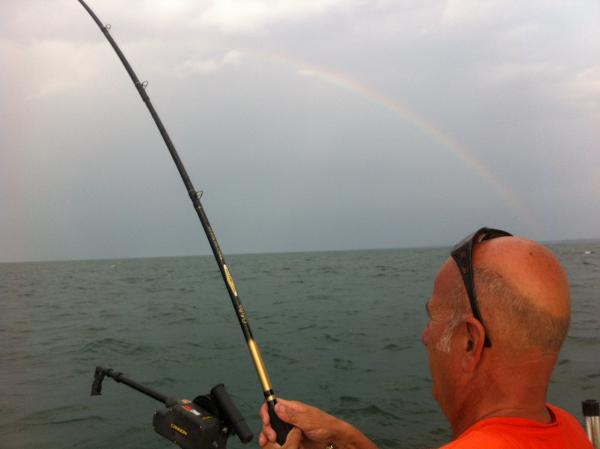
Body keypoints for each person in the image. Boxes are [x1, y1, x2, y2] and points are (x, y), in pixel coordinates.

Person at [259, 228, 593, 449]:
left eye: (433, 316)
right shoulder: (569, 430)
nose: (425, 336)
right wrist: (344, 438)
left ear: (470, 343)